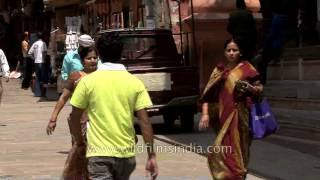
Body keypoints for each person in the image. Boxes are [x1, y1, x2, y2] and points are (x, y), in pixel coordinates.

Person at [69, 32, 158, 180]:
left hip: (99, 155)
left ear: (99, 54)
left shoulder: (87, 82)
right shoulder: (134, 82)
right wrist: (151, 154)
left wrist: (79, 142)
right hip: (126, 156)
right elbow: (145, 122)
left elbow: (75, 117)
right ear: (121, 53)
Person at [199, 38, 263, 180]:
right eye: (229, 50)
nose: (232, 53)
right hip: (223, 116)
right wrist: (205, 114)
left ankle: (239, 175)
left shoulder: (247, 68)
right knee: (221, 150)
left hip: (242, 116)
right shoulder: (219, 71)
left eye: (235, 50)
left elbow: (260, 88)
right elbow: (208, 95)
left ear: (240, 52)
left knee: (240, 150)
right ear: (224, 52)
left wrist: (250, 88)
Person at [46, 45, 98, 179]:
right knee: (80, 156)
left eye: (95, 58)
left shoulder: (102, 77)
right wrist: (53, 118)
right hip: (80, 123)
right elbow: (63, 98)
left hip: (99, 123)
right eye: (88, 58)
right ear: (82, 61)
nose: (92, 60)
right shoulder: (76, 76)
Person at [28, 32, 47, 98]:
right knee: (43, 78)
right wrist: (44, 60)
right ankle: (43, 93)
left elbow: (29, 53)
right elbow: (44, 53)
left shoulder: (34, 44)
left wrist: (34, 59)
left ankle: (37, 93)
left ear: (37, 37)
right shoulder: (43, 43)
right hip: (42, 62)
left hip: (36, 62)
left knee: (38, 78)